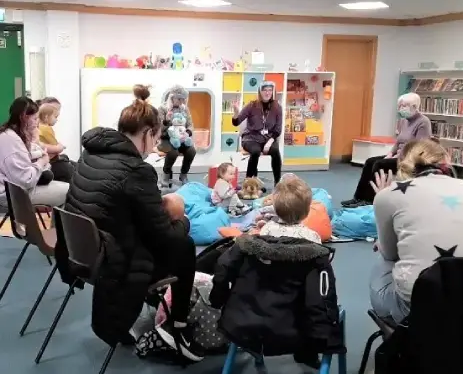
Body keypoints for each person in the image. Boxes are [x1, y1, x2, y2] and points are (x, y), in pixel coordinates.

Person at [58, 84, 203, 361]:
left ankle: (158, 307)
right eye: (157, 137)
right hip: (115, 264)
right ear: (148, 134)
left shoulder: (89, 154)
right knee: (184, 246)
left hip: (83, 255)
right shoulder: (137, 171)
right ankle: (177, 327)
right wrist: (182, 220)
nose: (157, 145)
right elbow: (164, 236)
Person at [209, 176, 345, 369]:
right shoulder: (313, 246)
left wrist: (218, 301)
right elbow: (319, 299)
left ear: (275, 206)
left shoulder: (255, 240)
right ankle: (306, 355)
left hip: (243, 324)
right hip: (292, 331)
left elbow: (223, 269)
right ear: (307, 211)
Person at [369, 139, 463, 323]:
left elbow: (390, 254)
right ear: (446, 160)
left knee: (382, 256)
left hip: (420, 309)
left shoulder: (388, 195)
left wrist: (381, 201)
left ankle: (399, 338)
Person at [341, 93, 431, 208]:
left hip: (410, 159)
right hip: (398, 155)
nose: (401, 108)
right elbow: (399, 141)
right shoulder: (403, 121)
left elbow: (419, 148)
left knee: (379, 165)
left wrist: (398, 157)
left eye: (405, 106)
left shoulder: (423, 122)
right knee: (369, 161)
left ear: (414, 106)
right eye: (400, 106)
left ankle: (370, 200)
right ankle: (358, 197)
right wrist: (390, 153)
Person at [0, 97, 69, 209]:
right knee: (70, 192)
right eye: (35, 118)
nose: (37, 123)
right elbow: (26, 181)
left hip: (12, 189)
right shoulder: (12, 140)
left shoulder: (8, 134)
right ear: (24, 117)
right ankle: (54, 227)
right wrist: (42, 162)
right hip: (10, 195)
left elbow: (22, 157)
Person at [232, 81, 283, 185]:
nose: (267, 93)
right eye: (265, 90)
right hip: (251, 138)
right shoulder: (252, 105)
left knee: (276, 152)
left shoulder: (277, 107)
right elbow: (236, 122)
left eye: (270, 90)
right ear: (260, 91)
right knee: (255, 152)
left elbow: (277, 130)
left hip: (268, 138)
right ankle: (248, 181)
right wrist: (236, 112)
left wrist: (269, 143)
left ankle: (277, 184)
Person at [158, 85, 196, 187]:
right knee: (173, 152)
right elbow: (159, 129)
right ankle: (166, 174)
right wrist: (166, 120)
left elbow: (190, 124)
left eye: (183, 99)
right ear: (172, 97)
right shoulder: (162, 108)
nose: (181, 102)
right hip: (166, 138)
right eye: (179, 99)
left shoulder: (185, 109)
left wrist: (187, 133)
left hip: (182, 138)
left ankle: (183, 175)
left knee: (191, 151)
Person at [37, 101, 75, 183]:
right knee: (69, 169)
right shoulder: (46, 128)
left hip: (45, 159)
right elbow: (56, 146)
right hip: (50, 161)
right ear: (46, 117)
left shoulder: (38, 126)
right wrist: (60, 146)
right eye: (55, 117)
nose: (57, 120)